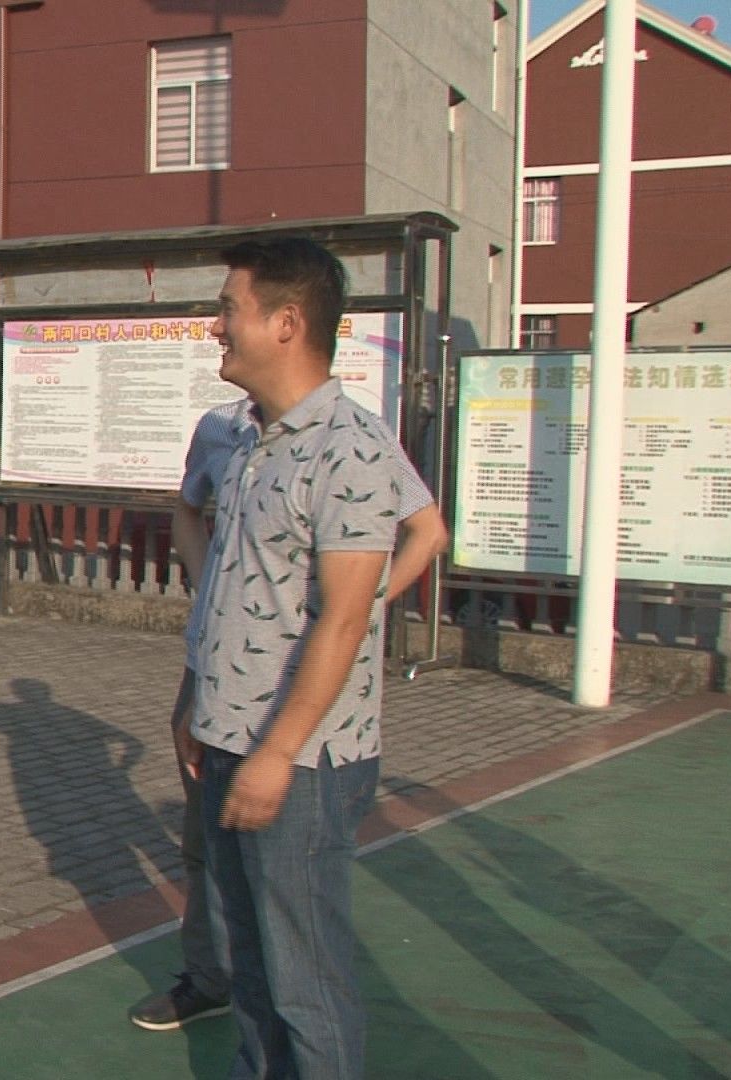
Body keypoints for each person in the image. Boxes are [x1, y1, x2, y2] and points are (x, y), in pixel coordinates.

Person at [131, 392, 446, 1034]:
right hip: (214, 667)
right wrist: (214, 598)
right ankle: (210, 977)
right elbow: (187, 510)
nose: (219, 340)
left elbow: (428, 531)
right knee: (206, 838)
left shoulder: (352, 434)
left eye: (229, 330)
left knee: (289, 891)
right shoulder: (222, 427)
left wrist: (356, 609)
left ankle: (293, 1016)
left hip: (291, 684)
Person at [187, 236, 417, 1079]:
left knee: (305, 981)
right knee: (252, 969)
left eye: (230, 309)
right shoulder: (252, 440)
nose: (216, 326)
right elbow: (232, 588)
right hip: (228, 741)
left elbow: (344, 621)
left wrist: (275, 754)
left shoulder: (350, 449)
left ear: (286, 323)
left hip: (301, 763)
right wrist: (194, 704)